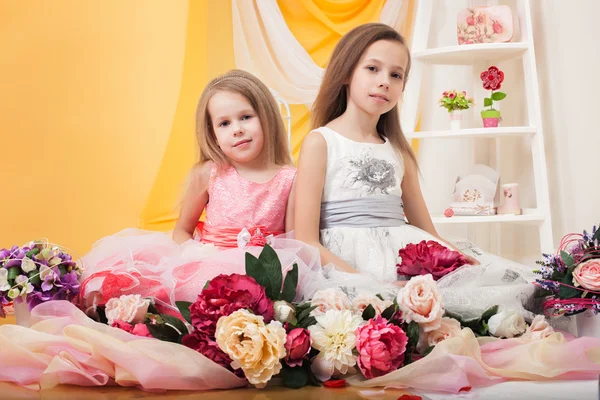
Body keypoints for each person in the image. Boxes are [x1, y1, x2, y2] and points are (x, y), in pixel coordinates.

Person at [294, 23, 537, 320]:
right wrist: (367, 283)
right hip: (347, 264)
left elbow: (426, 231)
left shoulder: (397, 150)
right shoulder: (321, 142)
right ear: (346, 73)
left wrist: (465, 262)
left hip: (404, 256)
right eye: (372, 69)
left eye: (396, 75)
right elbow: (305, 239)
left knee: (502, 287)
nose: (385, 82)